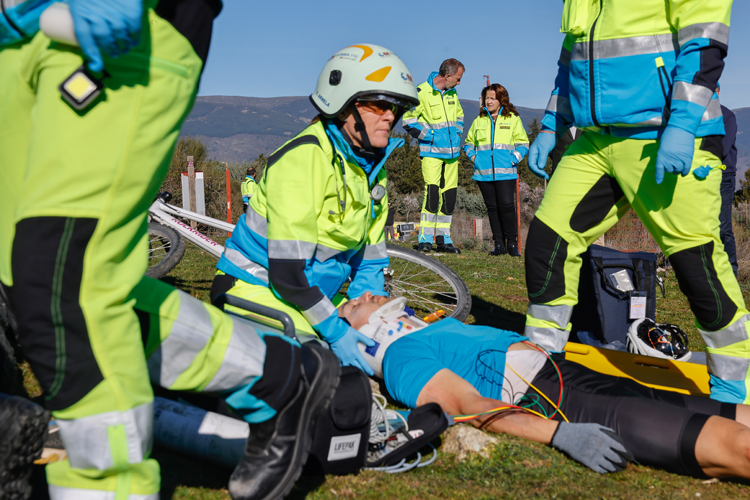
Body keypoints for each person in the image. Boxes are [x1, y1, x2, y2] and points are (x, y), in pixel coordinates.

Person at [0, 2, 340, 500]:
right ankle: (281, 377)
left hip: (119, 23)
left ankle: (109, 487)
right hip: (18, 34)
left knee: (63, 279)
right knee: (21, 276)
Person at [522, 2, 749, 405]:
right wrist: (553, 122)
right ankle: (542, 365)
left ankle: (735, 385)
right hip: (595, 141)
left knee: (696, 262)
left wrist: (681, 124)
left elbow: (705, 41)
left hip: (665, 133)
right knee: (548, 242)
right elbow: (570, 59)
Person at [339, 294, 750, 480]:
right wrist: (559, 432)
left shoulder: (428, 329)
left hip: (564, 373)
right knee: (734, 446)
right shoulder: (399, 360)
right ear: (362, 332)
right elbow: (471, 405)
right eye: (354, 303)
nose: (369, 294)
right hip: (555, 400)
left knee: (720, 412)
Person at [210, 43, 419, 377]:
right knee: (320, 368)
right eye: (378, 104)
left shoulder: (368, 169)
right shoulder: (304, 159)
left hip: (308, 295)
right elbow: (288, 275)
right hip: (255, 286)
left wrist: (374, 312)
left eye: (396, 107)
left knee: (397, 347)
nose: (391, 115)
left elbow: (370, 261)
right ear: (343, 105)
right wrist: (336, 332)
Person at [403, 59, 465, 254]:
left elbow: (460, 116)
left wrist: (457, 135)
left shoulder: (453, 93)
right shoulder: (421, 92)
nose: (459, 83)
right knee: (432, 196)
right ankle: (425, 239)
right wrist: (430, 137)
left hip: (452, 156)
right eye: (458, 78)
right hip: (431, 155)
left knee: (449, 197)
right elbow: (408, 120)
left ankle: (443, 239)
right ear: (447, 76)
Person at [463, 84, 529, 257]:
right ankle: (499, 245)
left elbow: (523, 143)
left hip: (506, 172)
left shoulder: (512, 119)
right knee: (492, 208)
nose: (489, 101)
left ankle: (512, 245)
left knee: (507, 207)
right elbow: (468, 143)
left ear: (501, 100)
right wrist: (474, 158)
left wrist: (513, 159)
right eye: (487, 98)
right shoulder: (479, 121)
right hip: (483, 174)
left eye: (492, 98)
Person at [717, 86, 739, 277]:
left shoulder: (727, 116)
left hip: (723, 177)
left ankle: (730, 270)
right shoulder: (696, 116)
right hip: (700, 177)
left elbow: (722, 149)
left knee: (723, 226)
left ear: (717, 91)